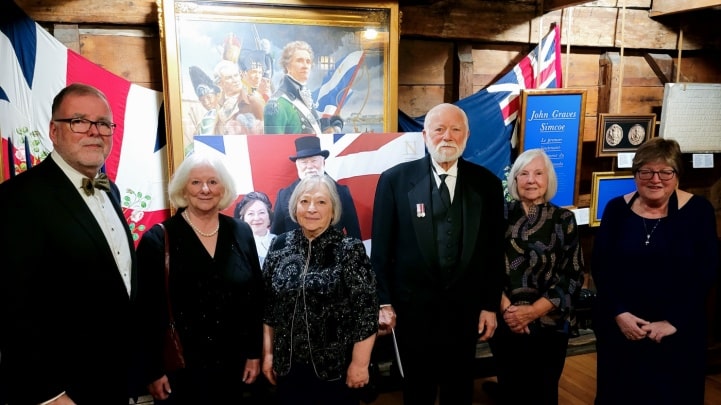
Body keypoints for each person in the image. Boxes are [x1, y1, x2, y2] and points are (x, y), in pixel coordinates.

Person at [0, 83, 137, 404]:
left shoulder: (111, 191)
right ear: (54, 130)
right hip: (60, 391)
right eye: (78, 121)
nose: (94, 131)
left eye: (103, 123)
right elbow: (11, 306)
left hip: (115, 381)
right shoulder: (17, 198)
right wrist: (50, 394)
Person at [370, 103, 506, 404]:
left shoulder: (488, 185)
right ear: (425, 134)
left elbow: (494, 252)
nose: (448, 136)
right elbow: (380, 250)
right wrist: (384, 301)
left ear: (467, 136)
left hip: (465, 312)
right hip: (411, 312)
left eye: (456, 129)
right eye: (439, 129)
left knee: (459, 390)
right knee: (417, 391)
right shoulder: (395, 181)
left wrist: (488, 305)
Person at [591, 137, 719, 405]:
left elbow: (706, 271)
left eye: (665, 172)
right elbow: (601, 267)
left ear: (677, 175)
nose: (655, 179)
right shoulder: (616, 209)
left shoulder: (699, 211)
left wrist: (674, 321)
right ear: (636, 174)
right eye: (646, 171)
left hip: (677, 333)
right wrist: (619, 313)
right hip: (622, 329)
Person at [135, 152, 265, 404]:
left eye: (213, 182)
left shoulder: (241, 232)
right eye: (195, 182)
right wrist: (153, 370)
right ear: (183, 188)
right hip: (181, 371)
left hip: (235, 367)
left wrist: (253, 353)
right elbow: (145, 313)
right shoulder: (159, 240)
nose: (205, 189)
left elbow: (255, 299)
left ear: (223, 188)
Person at [261, 174, 378, 405]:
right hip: (288, 367)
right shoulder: (279, 244)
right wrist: (269, 355)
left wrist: (360, 364)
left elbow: (367, 312)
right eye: (304, 201)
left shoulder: (349, 249)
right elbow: (269, 307)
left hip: (335, 369)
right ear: (295, 207)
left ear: (333, 210)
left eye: (321, 202)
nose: (311, 208)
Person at [487, 148, 585, 404]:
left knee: (544, 392)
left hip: (550, 322)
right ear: (515, 180)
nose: (531, 180)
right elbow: (485, 266)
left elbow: (573, 274)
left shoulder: (565, 219)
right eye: (524, 174)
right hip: (506, 320)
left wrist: (533, 311)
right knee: (511, 389)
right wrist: (509, 310)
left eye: (538, 173)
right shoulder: (499, 216)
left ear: (548, 179)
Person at [271, 135, 361, 239]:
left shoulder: (342, 192)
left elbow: (354, 234)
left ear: (323, 162)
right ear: (297, 165)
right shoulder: (284, 196)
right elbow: (276, 236)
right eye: (304, 162)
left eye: (314, 161)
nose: (309, 166)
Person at [264, 40, 342, 135]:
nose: (305, 66)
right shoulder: (276, 104)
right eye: (299, 61)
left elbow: (315, 127)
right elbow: (274, 147)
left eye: (308, 62)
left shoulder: (304, 96)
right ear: (287, 66)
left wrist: (335, 127)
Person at [214, 59, 264, 134]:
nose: (235, 80)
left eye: (236, 75)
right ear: (220, 83)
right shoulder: (219, 104)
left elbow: (266, 135)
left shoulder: (253, 100)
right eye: (229, 77)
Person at [234, 191, 277, 266]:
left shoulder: (280, 242)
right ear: (243, 218)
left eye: (262, 212)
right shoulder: (235, 246)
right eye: (251, 213)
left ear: (269, 216)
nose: (257, 218)